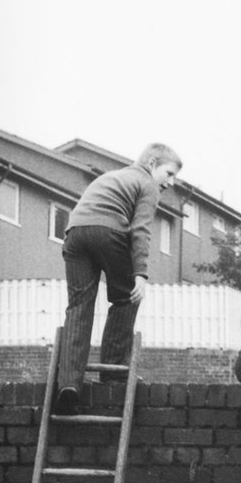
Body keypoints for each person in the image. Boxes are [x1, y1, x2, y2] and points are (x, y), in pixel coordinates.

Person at [54, 142, 183, 415]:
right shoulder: (146, 184)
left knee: (79, 307)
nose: (171, 182)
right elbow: (140, 231)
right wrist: (141, 274)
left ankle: (69, 385)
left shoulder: (112, 176)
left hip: (75, 233)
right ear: (151, 163)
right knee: (127, 297)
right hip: (108, 232)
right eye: (169, 173)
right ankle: (112, 373)